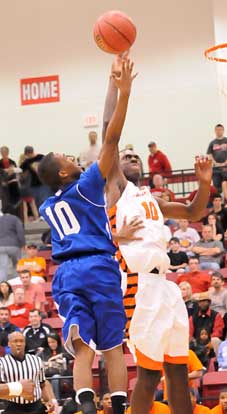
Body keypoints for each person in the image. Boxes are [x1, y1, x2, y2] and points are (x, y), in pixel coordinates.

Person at [103, 54, 212, 414]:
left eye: (136, 156)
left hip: (166, 285)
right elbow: (111, 132)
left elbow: (196, 212)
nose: (131, 157)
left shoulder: (154, 199)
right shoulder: (118, 189)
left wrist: (204, 184)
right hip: (139, 286)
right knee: (148, 375)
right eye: (127, 155)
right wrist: (119, 87)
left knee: (178, 371)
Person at [38, 59, 136, 414]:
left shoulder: (49, 204)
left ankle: (85, 404)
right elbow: (111, 137)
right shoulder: (86, 186)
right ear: (65, 170)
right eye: (67, 156)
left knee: (82, 346)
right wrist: (123, 92)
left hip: (65, 273)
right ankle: (120, 407)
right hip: (97, 267)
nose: (74, 156)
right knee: (111, 346)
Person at [0, 331, 56, 414]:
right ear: (9, 344)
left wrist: (48, 400)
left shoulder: (36, 360)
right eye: (15, 341)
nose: (19, 344)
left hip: (36, 406)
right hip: (13, 406)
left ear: (25, 343)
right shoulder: (2, 362)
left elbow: (42, 384)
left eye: (21, 341)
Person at [39, 331, 72, 400]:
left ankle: (56, 399)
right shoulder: (43, 352)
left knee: (56, 377)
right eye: (49, 343)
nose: (51, 344)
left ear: (57, 341)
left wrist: (59, 356)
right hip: (47, 376)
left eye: (53, 342)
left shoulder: (63, 349)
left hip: (63, 376)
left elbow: (72, 355)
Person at [0, 212, 25, 282]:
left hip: (1, 246)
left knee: (2, 267)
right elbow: (20, 231)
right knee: (17, 264)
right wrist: (23, 243)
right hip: (14, 245)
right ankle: (17, 282)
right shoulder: (15, 219)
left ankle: (2, 284)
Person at [207, 124, 227, 199]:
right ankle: (220, 201)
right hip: (216, 168)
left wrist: (225, 162)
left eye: (220, 130)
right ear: (215, 131)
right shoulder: (212, 143)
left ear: (223, 130)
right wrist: (215, 163)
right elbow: (209, 154)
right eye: (217, 130)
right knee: (217, 186)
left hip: (225, 167)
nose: (219, 131)